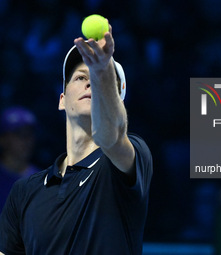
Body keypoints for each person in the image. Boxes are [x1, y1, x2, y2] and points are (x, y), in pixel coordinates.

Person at [0, 20, 153, 255]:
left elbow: (110, 136)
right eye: (81, 77)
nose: (91, 80)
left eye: (103, 79)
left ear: (117, 99)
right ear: (62, 99)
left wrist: (103, 71)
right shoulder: (25, 190)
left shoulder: (127, 159)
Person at [0, 106, 40, 212]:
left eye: (29, 134)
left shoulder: (40, 181)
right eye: (19, 134)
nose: (26, 140)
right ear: (3, 139)